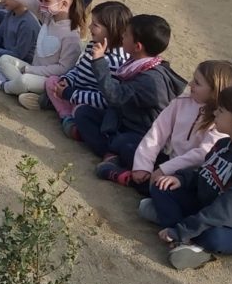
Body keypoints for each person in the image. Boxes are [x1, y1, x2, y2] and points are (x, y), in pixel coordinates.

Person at [143, 85, 232, 270]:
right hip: (206, 207)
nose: (214, 112)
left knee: (213, 237)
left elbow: (223, 211)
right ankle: (181, 232)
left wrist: (181, 230)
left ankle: (186, 240)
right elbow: (203, 173)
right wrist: (181, 179)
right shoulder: (223, 144)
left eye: (221, 111)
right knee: (161, 186)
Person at [102, 60, 232, 188]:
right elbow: (158, 131)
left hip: (190, 175)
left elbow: (202, 155)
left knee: (165, 188)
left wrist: (164, 170)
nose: (190, 84)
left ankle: (127, 178)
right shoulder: (182, 101)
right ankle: (137, 175)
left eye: (197, 83)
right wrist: (143, 165)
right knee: (126, 143)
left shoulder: (221, 120)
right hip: (169, 160)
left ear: (215, 92)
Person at [73, 14, 186, 171]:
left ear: (137, 47)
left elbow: (114, 96)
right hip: (124, 121)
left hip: (140, 133)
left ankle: (110, 154)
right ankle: (110, 151)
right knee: (83, 113)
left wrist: (99, 61)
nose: (122, 36)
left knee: (125, 145)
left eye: (126, 34)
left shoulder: (150, 80)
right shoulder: (138, 64)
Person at [0, 0, 85, 106]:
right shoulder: (48, 17)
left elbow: (63, 69)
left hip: (48, 80)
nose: (41, 4)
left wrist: (30, 71)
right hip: (31, 70)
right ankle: (24, 91)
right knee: (4, 60)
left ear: (63, 4)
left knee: (23, 80)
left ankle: (5, 85)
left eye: (46, 1)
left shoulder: (71, 35)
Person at [44, 1, 132, 137]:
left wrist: (71, 94)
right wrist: (67, 80)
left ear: (112, 30)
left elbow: (105, 100)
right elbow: (78, 69)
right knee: (52, 82)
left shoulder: (117, 62)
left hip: (90, 102)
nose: (89, 27)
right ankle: (65, 113)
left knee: (81, 110)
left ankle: (67, 116)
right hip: (75, 92)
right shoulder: (93, 45)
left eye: (95, 25)